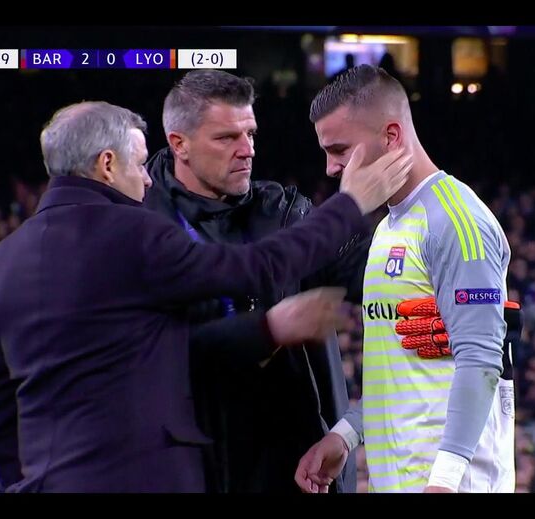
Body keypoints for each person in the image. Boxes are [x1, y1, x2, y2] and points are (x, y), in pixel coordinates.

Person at [0, 100, 412, 492]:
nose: (147, 180)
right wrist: (350, 205)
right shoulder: (135, 233)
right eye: (139, 164)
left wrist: (27, 483)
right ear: (107, 164)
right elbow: (254, 268)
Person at [143, 69, 370, 493]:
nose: (247, 150)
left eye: (250, 134)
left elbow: (372, 274)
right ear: (179, 144)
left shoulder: (284, 212)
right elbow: (155, 353)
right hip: (194, 471)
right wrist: (267, 329)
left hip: (300, 471)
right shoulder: (140, 229)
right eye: (227, 138)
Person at [295, 65, 516, 493]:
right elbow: (403, 366)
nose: (331, 167)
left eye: (339, 150)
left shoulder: (456, 219)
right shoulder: (388, 227)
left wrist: (444, 482)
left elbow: (480, 359)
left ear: (391, 136)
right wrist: (347, 434)